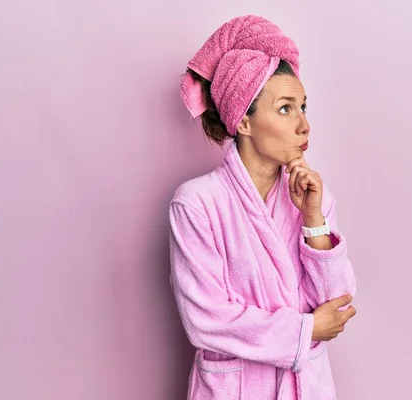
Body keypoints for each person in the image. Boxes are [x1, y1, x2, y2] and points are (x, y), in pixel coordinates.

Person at [169, 15, 357, 400]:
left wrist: (313, 220)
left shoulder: (313, 200)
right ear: (244, 122)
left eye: (304, 107)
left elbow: (336, 304)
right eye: (286, 109)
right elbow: (206, 319)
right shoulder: (197, 204)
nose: (304, 125)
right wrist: (305, 331)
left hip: (307, 389)